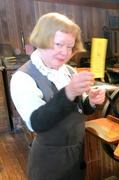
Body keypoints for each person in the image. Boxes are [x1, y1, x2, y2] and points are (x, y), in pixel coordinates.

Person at [10, 12, 105, 180]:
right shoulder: (23, 77)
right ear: (42, 40)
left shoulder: (68, 71)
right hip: (49, 163)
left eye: (70, 46)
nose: (65, 52)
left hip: (77, 154)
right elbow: (36, 122)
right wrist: (68, 92)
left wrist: (90, 101)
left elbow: (80, 108)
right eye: (59, 44)